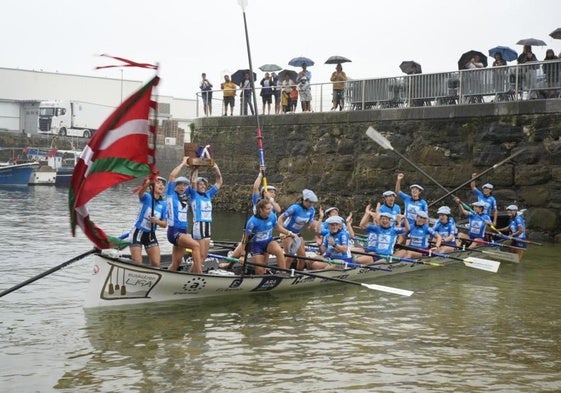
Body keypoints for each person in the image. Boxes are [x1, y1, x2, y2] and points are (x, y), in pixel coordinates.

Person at [165, 157, 202, 273]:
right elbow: (172, 176)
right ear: (175, 186)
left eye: (184, 185)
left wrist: (195, 170)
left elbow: (193, 182)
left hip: (183, 231)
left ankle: (167, 278)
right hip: (174, 231)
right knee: (196, 246)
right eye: (179, 185)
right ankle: (199, 272)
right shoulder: (171, 194)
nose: (181, 187)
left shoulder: (186, 195)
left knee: (177, 262)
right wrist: (182, 164)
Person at [244, 198, 296, 275]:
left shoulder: (272, 216)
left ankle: (283, 274)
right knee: (260, 270)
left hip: (268, 242)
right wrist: (243, 253)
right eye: (268, 209)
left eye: (271, 208)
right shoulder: (252, 222)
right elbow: (245, 238)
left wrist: (289, 233)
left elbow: (277, 227)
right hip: (256, 245)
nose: (270, 211)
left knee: (279, 252)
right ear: (261, 210)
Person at [129, 176, 168, 267]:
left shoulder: (164, 204)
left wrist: (157, 221)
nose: (161, 185)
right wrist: (148, 182)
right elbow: (141, 192)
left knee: (156, 263)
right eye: (158, 183)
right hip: (137, 232)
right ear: (151, 187)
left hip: (150, 234)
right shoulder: (147, 197)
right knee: (138, 263)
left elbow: (164, 224)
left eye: (163, 185)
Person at [187, 162, 223, 262]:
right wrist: (195, 170)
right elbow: (192, 181)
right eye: (200, 184)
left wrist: (216, 168)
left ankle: (198, 271)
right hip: (199, 225)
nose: (202, 186)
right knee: (200, 255)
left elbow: (219, 182)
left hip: (207, 224)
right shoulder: (194, 195)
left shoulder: (208, 195)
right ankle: (195, 273)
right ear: (196, 186)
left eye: (204, 184)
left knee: (204, 255)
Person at [279, 189, 319, 269]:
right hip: (288, 233)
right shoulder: (294, 208)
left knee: (302, 257)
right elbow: (280, 218)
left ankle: (298, 273)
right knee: (290, 256)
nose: (311, 204)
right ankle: (282, 273)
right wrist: (282, 231)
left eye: (312, 203)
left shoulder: (312, 210)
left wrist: (316, 224)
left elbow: (310, 223)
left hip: (297, 234)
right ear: (304, 200)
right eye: (309, 202)